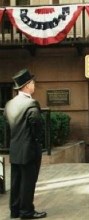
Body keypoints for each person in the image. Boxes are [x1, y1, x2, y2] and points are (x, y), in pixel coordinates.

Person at [4, 69, 47, 219]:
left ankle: (14, 210)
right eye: (33, 82)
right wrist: (38, 140)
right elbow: (36, 124)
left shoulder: (9, 104)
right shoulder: (31, 103)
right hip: (29, 149)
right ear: (27, 85)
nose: (34, 85)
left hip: (15, 148)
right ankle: (26, 211)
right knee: (28, 182)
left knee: (16, 181)